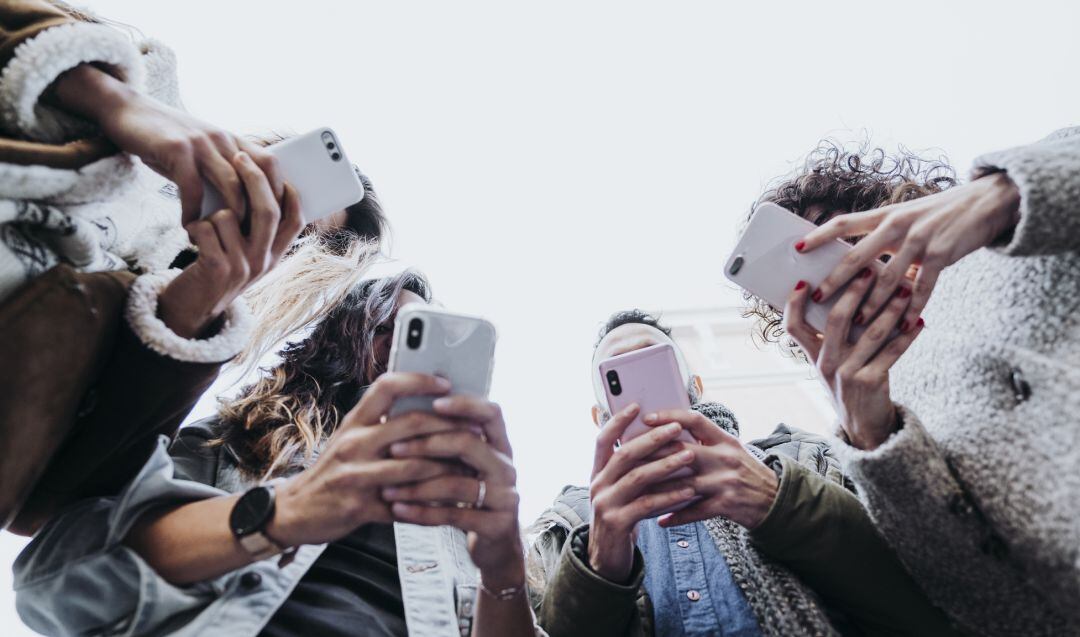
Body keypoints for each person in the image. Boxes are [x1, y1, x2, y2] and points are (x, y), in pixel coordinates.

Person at [0, 0, 385, 533]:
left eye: (298, 234)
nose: (270, 215)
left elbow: (46, 508)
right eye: (278, 185)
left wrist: (197, 303)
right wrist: (116, 104)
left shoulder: (179, 338)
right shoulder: (142, 81)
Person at [13, 270, 539, 637]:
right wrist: (284, 512)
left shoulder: (468, 516)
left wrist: (505, 578)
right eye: (388, 331)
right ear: (341, 340)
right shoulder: (236, 439)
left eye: (420, 341)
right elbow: (53, 579)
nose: (401, 357)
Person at [743, 130, 1080, 634]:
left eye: (832, 236)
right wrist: (875, 437)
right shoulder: (880, 413)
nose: (833, 273)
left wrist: (1010, 193)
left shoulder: (1015, 229)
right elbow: (987, 602)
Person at [527, 309, 956, 637]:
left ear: (695, 385)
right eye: (617, 372)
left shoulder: (803, 458)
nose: (637, 373)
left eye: (652, 359)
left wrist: (778, 501)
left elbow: (921, 599)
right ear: (598, 414)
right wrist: (599, 562)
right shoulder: (570, 523)